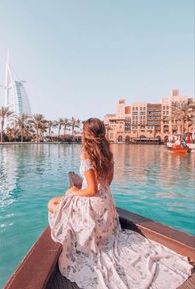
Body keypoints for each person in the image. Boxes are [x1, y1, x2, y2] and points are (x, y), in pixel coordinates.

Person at [48, 118, 193, 289]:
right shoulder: (107, 153)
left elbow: (92, 190)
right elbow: (107, 182)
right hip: (107, 202)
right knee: (63, 200)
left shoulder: (86, 154)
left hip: (93, 203)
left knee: (52, 204)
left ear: (86, 135)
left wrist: (74, 192)